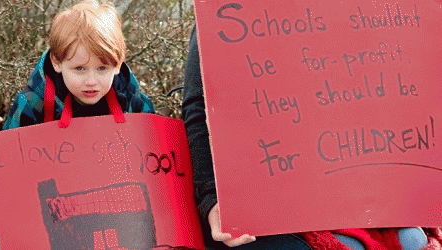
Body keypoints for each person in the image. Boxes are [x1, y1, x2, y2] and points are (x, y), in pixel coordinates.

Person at [182, 25, 432, 250]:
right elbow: (198, 109)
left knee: (413, 240)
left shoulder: (354, 14)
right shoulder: (227, 14)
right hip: (271, 195)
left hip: (355, 187)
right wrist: (212, 199)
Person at [0, 1, 154, 248]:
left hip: (117, 207)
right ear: (57, 62)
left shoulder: (133, 101)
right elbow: (2, 177)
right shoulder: (33, 104)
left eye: (102, 68)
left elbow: (154, 165)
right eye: (79, 69)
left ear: (117, 64)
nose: (91, 81)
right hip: (48, 219)